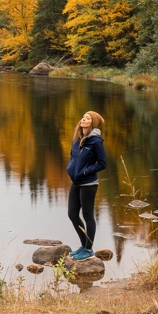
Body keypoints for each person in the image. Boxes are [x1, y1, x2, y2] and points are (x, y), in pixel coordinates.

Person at [66, 111, 106, 260]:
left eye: (88, 118)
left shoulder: (96, 141)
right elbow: (72, 157)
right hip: (76, 182)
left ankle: (88, 249)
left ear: (93, 123)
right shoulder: (77, 139)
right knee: (72, 214)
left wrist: (85, 172)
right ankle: (84, 245)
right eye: (83, 116)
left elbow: (102, 163)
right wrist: (71, 168)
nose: (83, 119)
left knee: (88, 215)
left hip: (88, 183)